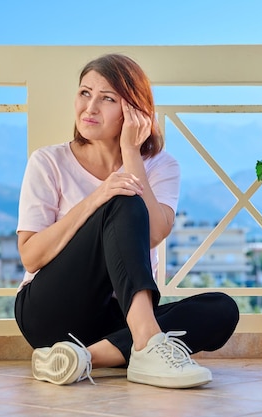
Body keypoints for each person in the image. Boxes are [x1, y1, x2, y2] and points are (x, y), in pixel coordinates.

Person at [14, 53, 239, 389]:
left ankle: (84, 357)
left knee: (222, 310)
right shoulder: (48, 161)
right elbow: (31, 256)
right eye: (85, 93)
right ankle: (147, 344)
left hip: (119, 318)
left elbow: (155, 233)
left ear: (133, 111)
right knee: (121, 196)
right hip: (51, 311)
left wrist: (131, 154)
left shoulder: (161, 165)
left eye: (107, 99)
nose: (90, 108)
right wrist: (97, 198)